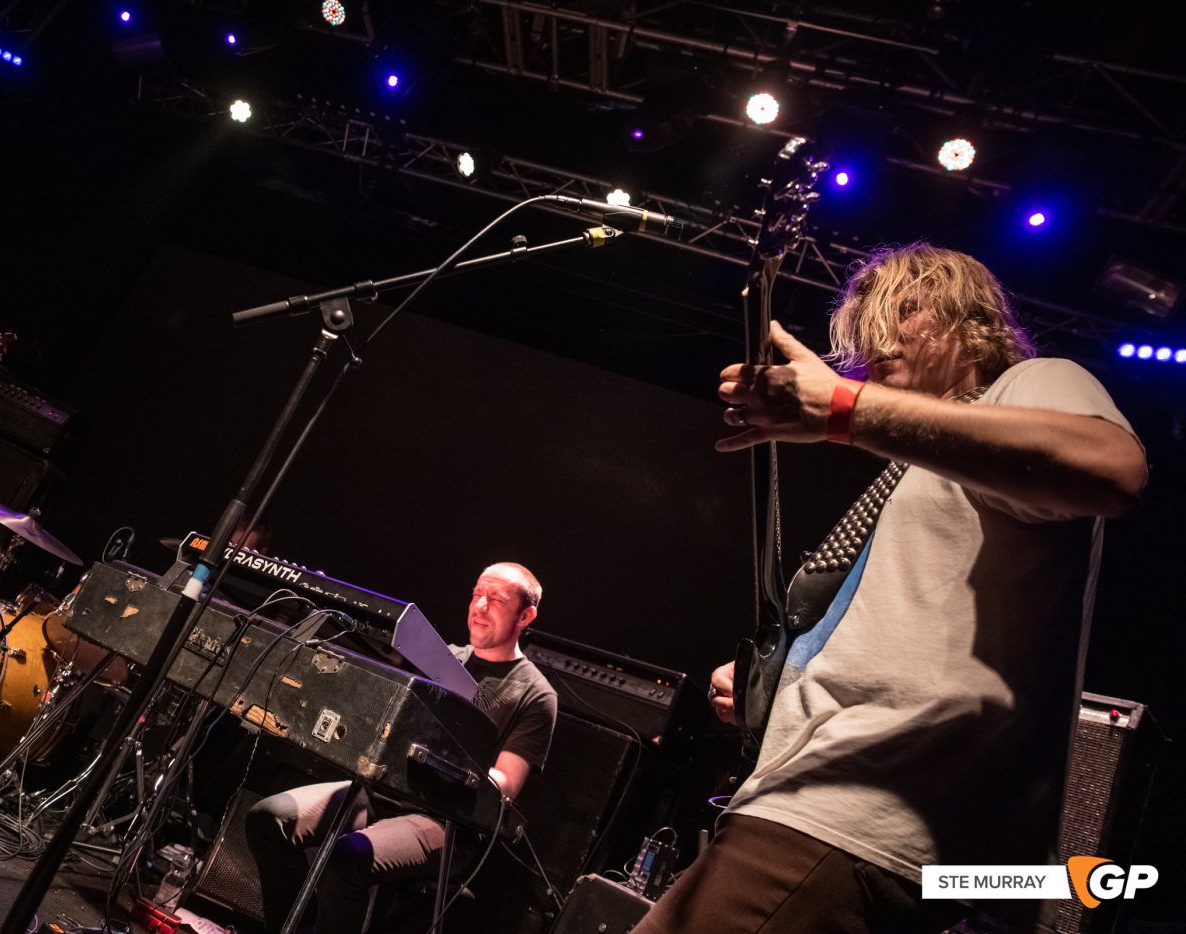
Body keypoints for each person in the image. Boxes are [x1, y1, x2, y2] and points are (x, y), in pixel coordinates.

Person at [633, 243, 1147, 934]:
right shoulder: (921, 466)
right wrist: (776, 687)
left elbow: (1110, 467)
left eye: (899, 315)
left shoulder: (1032, 383)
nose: (872, 347)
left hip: (856, 819)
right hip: (858, 823)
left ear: (960, 320)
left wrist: (846, 409)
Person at [244, 561, 558, 934]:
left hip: (445, 822)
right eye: (477, 594)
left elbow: (506, 783)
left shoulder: (536, 694)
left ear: (526, 615)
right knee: (268, 819)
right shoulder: (441, 660)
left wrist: (445, 759)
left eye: (496, 600)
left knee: (347, 859)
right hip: (379, 793)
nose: (480, 607)